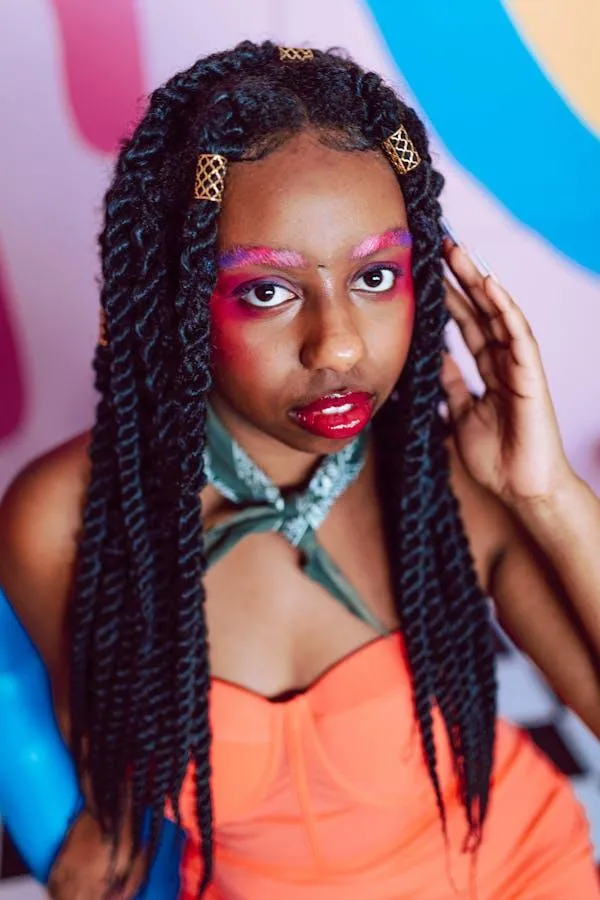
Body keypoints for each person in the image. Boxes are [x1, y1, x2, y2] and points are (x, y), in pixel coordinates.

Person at [1, 39, 599, 899]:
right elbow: (105, 783)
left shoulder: (445, 479)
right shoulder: (65, 519)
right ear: (172, 298)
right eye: (267, 291)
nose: (341, 345)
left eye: (377, 275)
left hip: (517, 873)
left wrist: (549, 496)